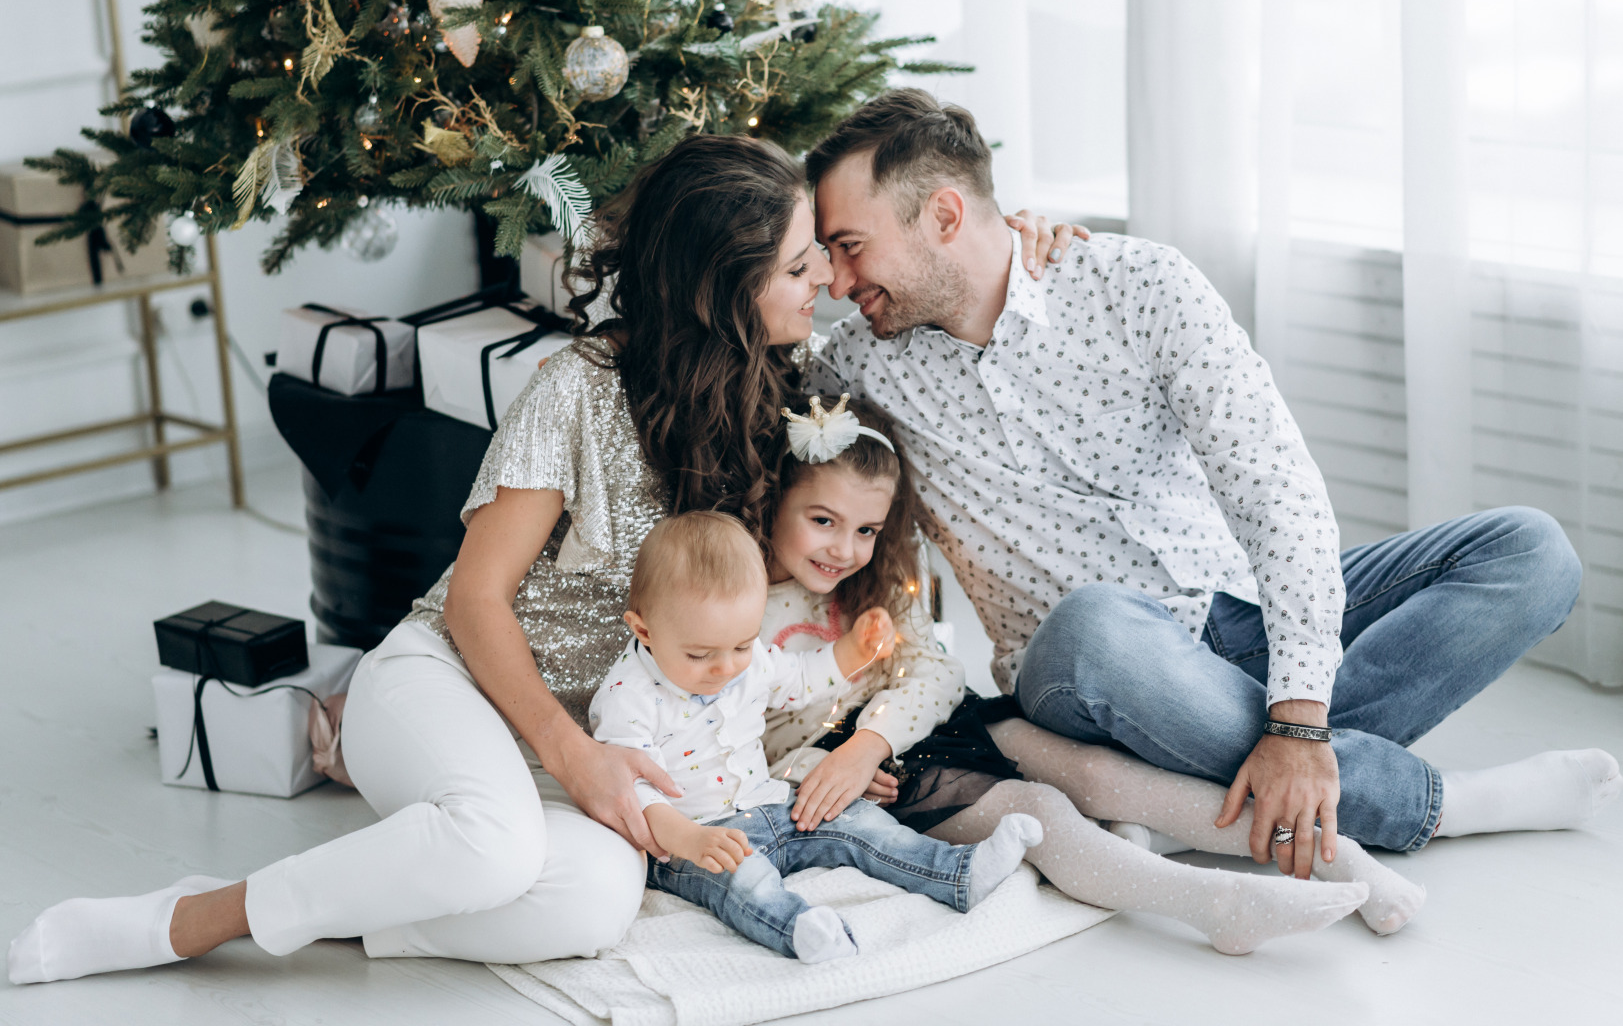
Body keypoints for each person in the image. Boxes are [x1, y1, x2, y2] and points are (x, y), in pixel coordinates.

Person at [8, 133, 1074, 985]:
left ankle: (353, 917)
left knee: (594, 906)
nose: (828, 287)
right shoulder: (577, 389)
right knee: (494, 853)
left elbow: (927, 315)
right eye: (800, 268)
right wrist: (578, 759)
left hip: (604, 731)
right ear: (723, 284)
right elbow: (475, 602)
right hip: (456, 683)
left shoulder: (781, 390)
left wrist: (1020, 240)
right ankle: (193, 919)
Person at [802, 88, 1621, 877]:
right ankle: (1440, 803)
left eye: (849, 246)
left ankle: (1255, 766)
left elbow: (1276, 492)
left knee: (1531, 552)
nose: (837, 282)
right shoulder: (860, 370)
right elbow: (744, 363)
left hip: (1235, 613)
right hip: (1082, 664)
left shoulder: (1139, 285)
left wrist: (1298, 722)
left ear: (945, 215)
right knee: (1094, 622)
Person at [756, 394, 1430, 953]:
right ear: (773, 505)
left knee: (1100, 775)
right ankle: (1213, 904)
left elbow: (931, 675)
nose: (845, 549)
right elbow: (734, 734)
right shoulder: (742, 603)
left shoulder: (874, 586)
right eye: (822, 521)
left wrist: (868, 739)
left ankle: (1335, 855)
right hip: (875, 783)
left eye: (867, 530)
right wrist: (827, 765)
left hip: (920, 729)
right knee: (1041, 809)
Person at [590, 510, 1042, 962]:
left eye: (743, 646)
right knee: (744, 882)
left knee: (861, 822)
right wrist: (690, 840)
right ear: (644, 629)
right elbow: (636, 792)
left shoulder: (745, 661)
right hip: (693, 839)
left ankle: (958, 874)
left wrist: (855, 651)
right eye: (699, 655)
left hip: (769, 803)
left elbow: (803, 677)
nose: (727, 668)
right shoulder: (626, 697)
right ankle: (799, 930)